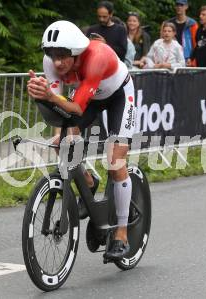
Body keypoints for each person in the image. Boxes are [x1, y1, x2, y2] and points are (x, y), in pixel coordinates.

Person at [27, 20, 136, 260]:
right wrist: (58, 131)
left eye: (63, 56)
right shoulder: (51, 62)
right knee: (62, 143)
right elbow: (57, 102)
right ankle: (87, 182)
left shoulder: (96, 57)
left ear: (77, 53)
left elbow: (74, 107)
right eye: (52, 55)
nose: (57, 62)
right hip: (90, 97)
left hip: (118, 95)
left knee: (115, 162)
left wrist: (49, 97)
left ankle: (121, 233)